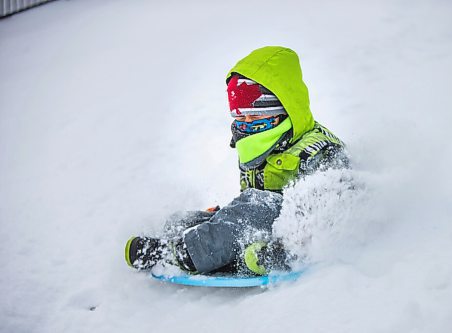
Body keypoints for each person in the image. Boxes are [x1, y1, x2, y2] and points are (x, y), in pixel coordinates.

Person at [125, 46, 349, 276]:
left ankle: (178, 255)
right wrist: (225, 214)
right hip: (256, 222)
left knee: (253, 207)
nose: (248, 123)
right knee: (186, 221)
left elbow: (332, 215)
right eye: (241, 117)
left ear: (285, 110)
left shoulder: (319, 149)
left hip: (292, 232)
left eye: (257, 116)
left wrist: (289, 250)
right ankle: (188, 242)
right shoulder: (257, 140)